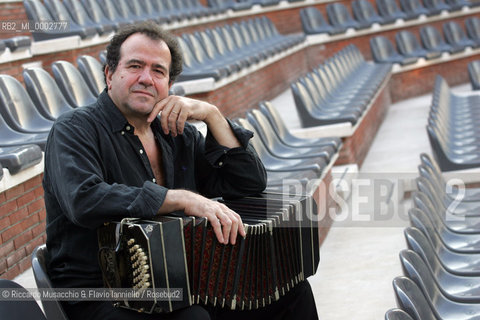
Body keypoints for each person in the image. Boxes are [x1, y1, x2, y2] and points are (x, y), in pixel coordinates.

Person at [43, 21, 317, 320]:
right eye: (135, 66)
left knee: (292, 291)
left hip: (180, 282)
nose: (146, 78)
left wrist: (213, 116)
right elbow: (85, 199)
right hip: (101, 291)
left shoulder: (177, 134)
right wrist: (181, 199)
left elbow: (248, 182)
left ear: (168, 86)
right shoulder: (73, 129)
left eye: (158, 71)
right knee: (194, 318)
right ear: (110, 74)